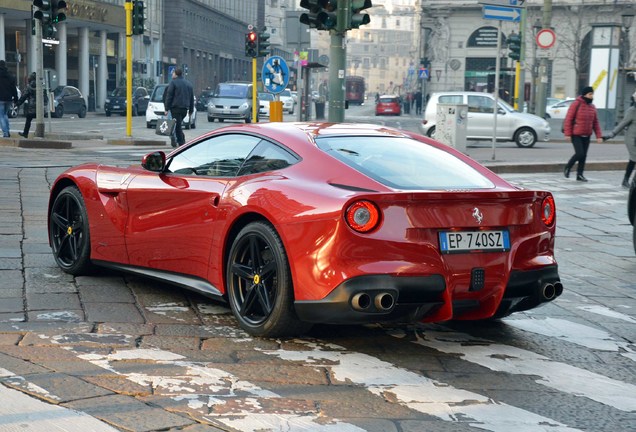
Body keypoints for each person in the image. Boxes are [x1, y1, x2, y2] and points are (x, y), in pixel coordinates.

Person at [563, 86, 603, 182]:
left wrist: (599, 136)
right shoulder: (576, 104)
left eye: (592, 94)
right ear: (585, 94)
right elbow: (569, 119)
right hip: (576, 134)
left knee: (584, 155)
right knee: (579, 153)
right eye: (590, 94)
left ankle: (580, 175)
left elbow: (595, 123)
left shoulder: (592, 107)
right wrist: (567, 134)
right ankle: (568, 166)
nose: (592, 96)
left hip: (587, 134)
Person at [603, 90, 636, 188]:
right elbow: (622, 124)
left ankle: (626, 180)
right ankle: (626, 180)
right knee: (634, 159)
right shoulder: (632, 111)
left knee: (633, 160)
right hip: (632, 140)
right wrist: (611, 134)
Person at [164, 67, 194, 147]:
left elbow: (169, 96)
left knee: (177, 127)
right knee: (178, 125)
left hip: (176, 108)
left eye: (173, 73)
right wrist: (191, 110)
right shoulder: (188, 84)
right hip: (184, 109)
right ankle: (181, 139)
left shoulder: (173, 83)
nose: (172, 74)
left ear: (176, 74)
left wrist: (166, 108)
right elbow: (191, 98)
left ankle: (181, 144)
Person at [16, 72, 47, 138]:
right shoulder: (42, 86)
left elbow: (24, 96)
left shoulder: (29, 86)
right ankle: (39, 133)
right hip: (40, 107)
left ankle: (25, 133)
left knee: (28, 120)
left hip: (32, 107)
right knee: (40, 120)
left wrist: (18, 103)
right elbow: (45, 97)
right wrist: (45, 105)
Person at [0, 60, 18, 138]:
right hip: (8, 98)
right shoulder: (10, 76)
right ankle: (7, 130)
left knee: (1, 116)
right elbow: (13, 88)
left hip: (0, 98)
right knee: (5, 114)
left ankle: (5, 133)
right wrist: (16, 98)